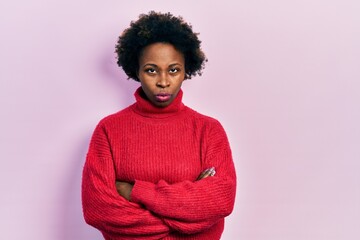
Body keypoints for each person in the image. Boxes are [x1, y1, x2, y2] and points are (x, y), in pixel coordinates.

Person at [81, 11, 236, 240]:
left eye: (173, 70)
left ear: (186, 71)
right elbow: (98, 210)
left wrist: (135, 191)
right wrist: (186, 218)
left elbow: (221, 200)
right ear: (136, 70)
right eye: (151, 70)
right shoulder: (109, 130)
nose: (163, 82)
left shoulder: (209, 130)